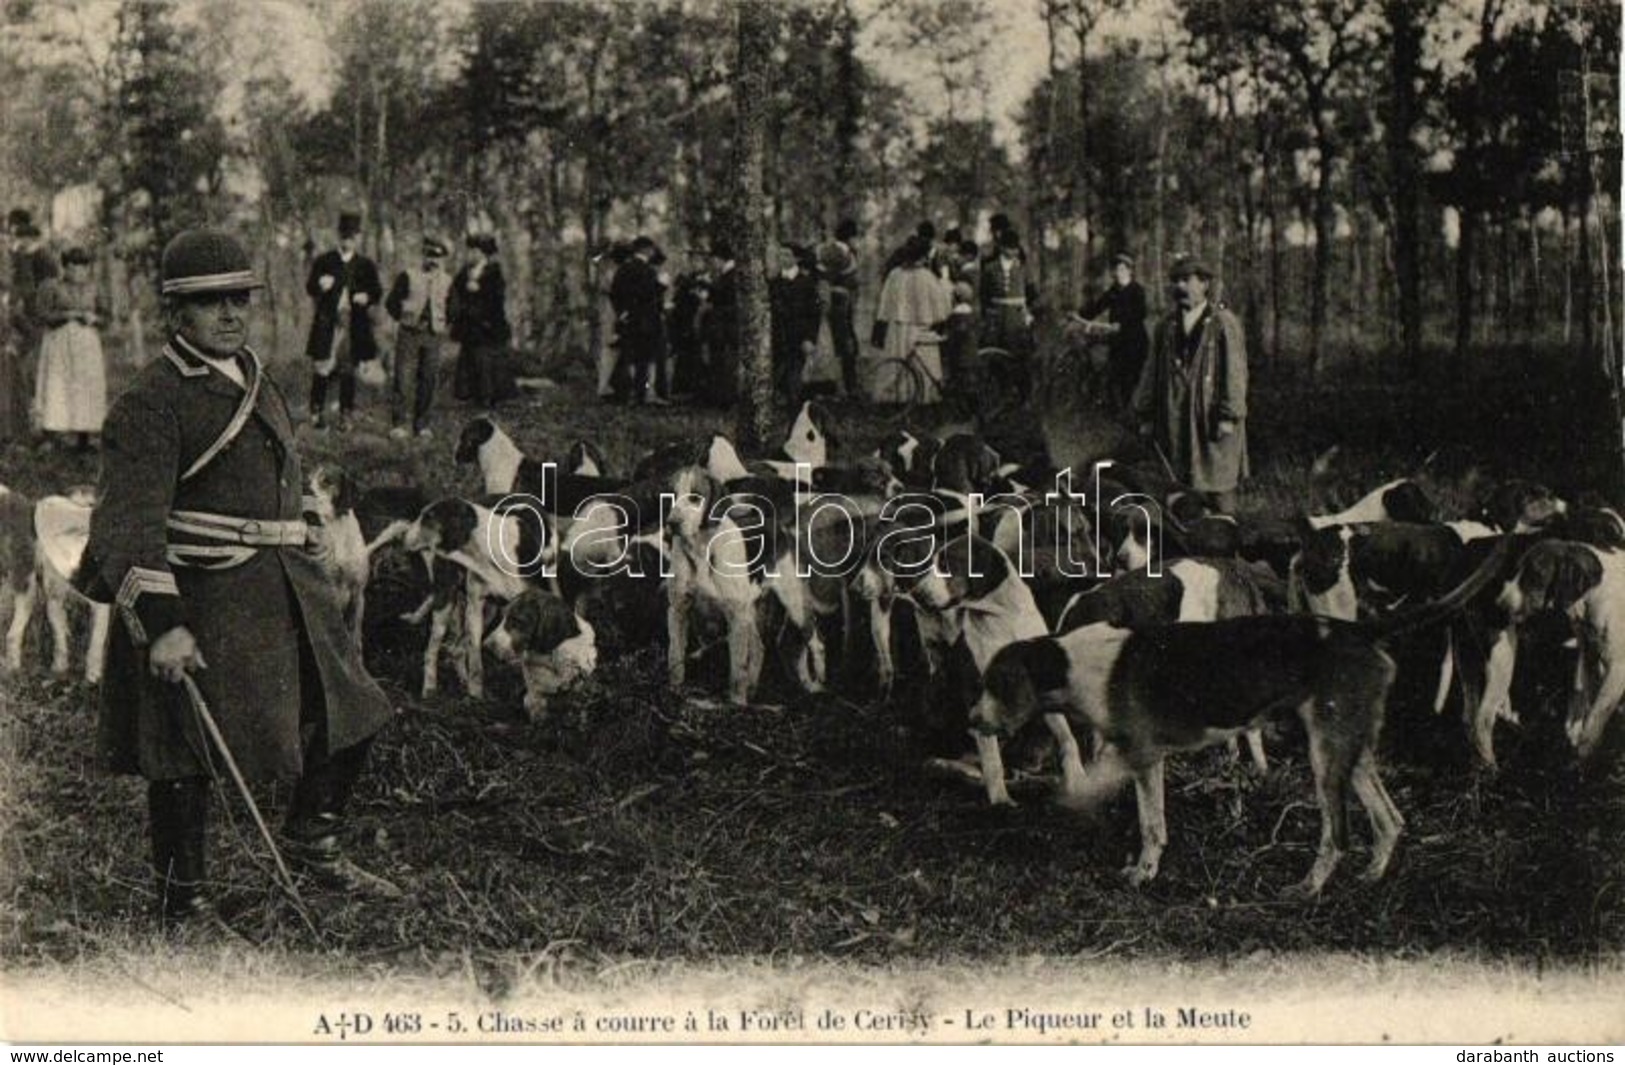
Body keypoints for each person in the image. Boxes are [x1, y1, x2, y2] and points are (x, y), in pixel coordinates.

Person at [79, 229, 400, 933]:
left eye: (238, 300)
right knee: (183, 744)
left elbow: (270, 472)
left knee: (350, 701)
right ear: (176, 315)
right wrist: (164, 624)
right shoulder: (152, 400)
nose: (230, 314)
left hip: (284, 578)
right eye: (209, 302)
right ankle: (183, 898)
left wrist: (301, 521)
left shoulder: (253, 372)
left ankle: (313, 839)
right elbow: (125, 526)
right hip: (204, 592)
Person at [1133, 254, 1249, 514]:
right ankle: (1190, 544)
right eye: (1176, 281)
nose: (1180, 287)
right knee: (1179, 490)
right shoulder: (1167, 326)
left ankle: (1227, 544)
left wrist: (1228, 416)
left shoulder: (1223, 322)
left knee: (1218, 487)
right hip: (1175, 421)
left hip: (1212, 420)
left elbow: (1235, 372)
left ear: (1205, 284)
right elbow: (1151, 372)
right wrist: (1146, 413)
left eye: (1187, 280)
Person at [304, 211, 382, 431]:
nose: (348, 240)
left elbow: (376, 291)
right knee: (323, 366)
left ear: (358, 238)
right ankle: (316, 411)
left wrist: (366, 296)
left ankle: (345, 414)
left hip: (354, 322)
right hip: (327, 321)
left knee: (349, 367)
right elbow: (309, 287)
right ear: (338, 236)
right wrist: (320, 284)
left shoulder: (365, 265)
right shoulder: (325, 261)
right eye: (344, 235)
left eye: (352, 236)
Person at [32, 246, 107, 451]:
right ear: (64, 268)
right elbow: (42, 315)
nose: (78, 273)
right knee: (59, 384)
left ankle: (85, 435)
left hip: (87, 343)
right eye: (73, 268)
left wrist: (96, 319)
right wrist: (68, 315)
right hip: (60, 342)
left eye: (83, 268)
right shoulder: (52, 287)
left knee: (85, 385)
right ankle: (52, 435)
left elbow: (107, 317)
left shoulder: (94, 288)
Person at [383, 236, 452, 440]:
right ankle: (399, 424)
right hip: (409, 333)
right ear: (423, 255)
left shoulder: (448, 281)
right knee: (403, 378)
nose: (433, 261)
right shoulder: (409, 276)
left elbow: (455, 306)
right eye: (429, 255)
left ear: (443, 260)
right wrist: (405, 318)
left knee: (428, 379)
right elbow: (391, 302)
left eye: (437, 258)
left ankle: (422, 425)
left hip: (433, 334)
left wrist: (444, 321)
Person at [871, 234, 951, 405]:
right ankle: (921, 395)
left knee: (898, 357)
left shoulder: (895, 275)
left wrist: (886, 318)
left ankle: (897, 394)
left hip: (897, 327)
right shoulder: (927, 277)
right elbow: (941, 307)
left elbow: (885, 303)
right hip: (919, 328)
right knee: (920, 359)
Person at [5, 210, 58, 443]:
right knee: (18, 370)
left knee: (32, 370)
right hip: (17, 315)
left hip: (33, 316)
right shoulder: (15, 253)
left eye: (15, 231)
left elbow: (45, 286)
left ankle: (39, 423)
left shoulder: (39, 254)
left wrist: (37, 311)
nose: (15, 239)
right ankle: (23, 422)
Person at [448, 232, 515, 410]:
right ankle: (472, 397)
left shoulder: (494, 272)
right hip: (469, 326)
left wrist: (479, 290)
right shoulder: (464, 273)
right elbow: (454, 293)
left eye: (474, 251)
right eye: (470, 250)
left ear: (483, 253)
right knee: (470, 362)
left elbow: (496, 299)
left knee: (485, 362)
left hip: (487, 326)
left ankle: (488, 400)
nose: (471, 254)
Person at [1080, 252, 1150, 408]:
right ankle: (1122, 409)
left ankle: (1134, 409)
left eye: (1122, 269)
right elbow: (1097, 307)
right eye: (1116, 270)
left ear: (1129, 271)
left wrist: (1122, 324)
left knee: (1133, 377)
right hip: (1118, 341)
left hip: (1135, 341)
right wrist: (1079, 315)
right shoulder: (1113, 291)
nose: (1118, 273)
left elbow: (1141, 313)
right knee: (1118, 376)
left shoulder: (1137, 290)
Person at [609, 235, 668, 407]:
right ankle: (640, 395)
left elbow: (615, 294)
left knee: (628, 357)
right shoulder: (648, 271)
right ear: (647, 250)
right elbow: (649, 295)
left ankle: (625, 394)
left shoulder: (623, 269)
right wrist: (662, 287)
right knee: (644, 359)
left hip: (630, 320)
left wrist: (622, 312)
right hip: (647, 321)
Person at [979, 226, 1037, 400]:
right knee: (996, 356)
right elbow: (984, 295)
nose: (1013, 251)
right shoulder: (990, 268)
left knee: (1020, 357)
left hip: (1017, 318)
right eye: (1009, 247)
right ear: (1002, 248)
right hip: (997, 319)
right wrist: (988, 315)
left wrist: (1028, 312)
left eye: (1015, 247)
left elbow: (1033, 293)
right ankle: (1000, 394)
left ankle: (1023, 396)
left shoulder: (1023, 269)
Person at [769, 243, 822, 409]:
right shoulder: (773, 282)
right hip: (778, 336)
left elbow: (814, 315)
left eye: (786, 255)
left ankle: (796, 409)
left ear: (796, 258)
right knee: (778, 373)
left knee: (795, 374)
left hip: (798, 337)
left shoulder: (806, 283)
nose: (782, 259)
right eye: (780, 255)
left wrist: (809, 338)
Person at [817, 219, 861, 398]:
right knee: (844, 343)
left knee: (843, 342)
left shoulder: (832, 249)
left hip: (839, 299)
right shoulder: (838, 252)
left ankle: (843, 384)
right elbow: (831, 277)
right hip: (838, 301)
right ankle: (847, 386)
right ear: (849, 237)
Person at [702, 239, 739, 407]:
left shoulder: (731, 277)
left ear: (720, 258)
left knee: (725, 362)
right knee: (721, 362)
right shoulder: (726, 276)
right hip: (722, 327)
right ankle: (720, 397)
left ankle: (725, 399)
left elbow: (731, 304)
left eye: (713, 260)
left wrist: (712, 309)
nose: (712, 264)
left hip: (726, 327)